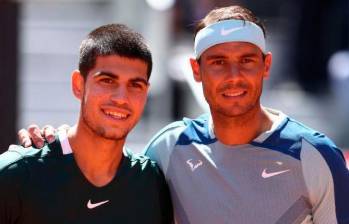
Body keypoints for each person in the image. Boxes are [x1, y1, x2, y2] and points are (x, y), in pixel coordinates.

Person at [16, 5, 349, 224]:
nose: (234, 76)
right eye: (218, 62)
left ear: (266, 66)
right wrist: (53, 145)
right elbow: (105, 180)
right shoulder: (168, 148)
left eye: (246, 60)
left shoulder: (315, 156)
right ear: (196, 70)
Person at [0, 24, 173, 224]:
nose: (121, 98)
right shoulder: (15, 175)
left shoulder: (151, 182)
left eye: (135, 85)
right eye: (108, 80)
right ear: (78, 85)